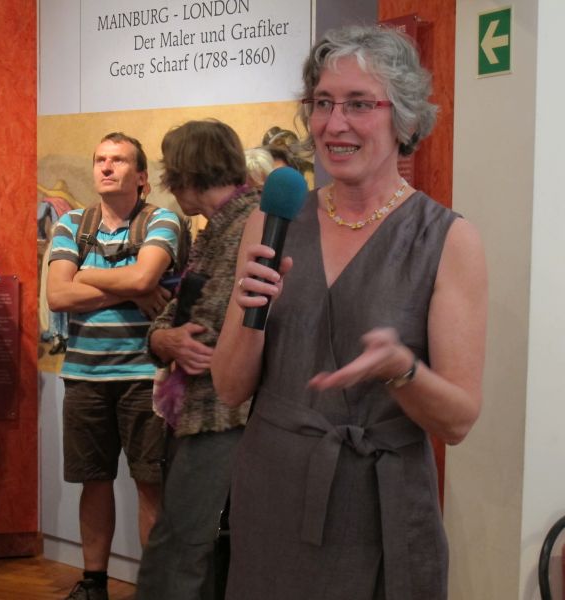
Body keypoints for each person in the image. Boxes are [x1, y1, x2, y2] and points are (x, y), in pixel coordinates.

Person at [212, 24, 487, 599]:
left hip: (379, 508)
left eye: (359, 104)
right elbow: (231, 388)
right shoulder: (272, 222)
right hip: (272, 494)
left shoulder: (446, 239)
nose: (335, 124)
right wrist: (246, 310)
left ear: (403, 119)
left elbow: (458, 421)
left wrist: (401, 370)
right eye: (323, 103)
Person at [46, 132, 181, 600]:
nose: (106, 167)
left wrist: (87, 274)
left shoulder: (161, 220)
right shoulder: (72, 224)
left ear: (141, 176)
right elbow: (57, 295)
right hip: (84, 376)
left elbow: (145, 277)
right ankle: (94, 583)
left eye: (119, 160)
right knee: (93, 480)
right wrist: (131, 289)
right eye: (100, 159)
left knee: (151, 484)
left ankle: (156, 589)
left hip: (146, 376)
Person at [135, 119, 259, 599]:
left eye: (171, 170)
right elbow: (176, 317)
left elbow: (214, 327)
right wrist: (164, 340)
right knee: (181, 542)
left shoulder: (249, 225)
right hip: (202, 413)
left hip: (223, 415)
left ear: (187, 172)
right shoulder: (218, 228)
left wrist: (169, 337)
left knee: (181, 545)